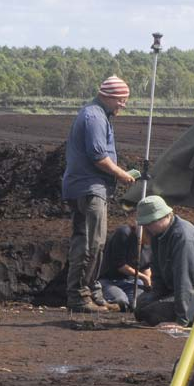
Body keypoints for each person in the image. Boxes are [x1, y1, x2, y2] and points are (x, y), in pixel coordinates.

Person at [62, 75, 137, 312]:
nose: (123, 105)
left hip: (88, 187)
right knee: (90, 243)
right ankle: (79, 297)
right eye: (121, 100)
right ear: (108, 96)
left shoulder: (98, 114)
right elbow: (98, 157)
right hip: (89, 188)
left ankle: (93, 292)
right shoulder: (94, 117)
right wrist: (122, 175)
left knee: (92, 242)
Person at [133, 195, 194, 326]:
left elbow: (185, 280)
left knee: (152, 313)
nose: (147, 227)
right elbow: (157, 272)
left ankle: (190, 316)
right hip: (174, 290)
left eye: (150, 222)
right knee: (140, 308)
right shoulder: (158, 235)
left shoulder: (183, 238)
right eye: (145, 224)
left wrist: (182, 321)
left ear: (166, 216)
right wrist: (155, 295)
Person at [94, 216, 152, 312]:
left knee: (140, 303)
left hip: (132, 281)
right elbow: (120, 265)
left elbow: (146, 266)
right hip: (110, 280)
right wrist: (144, 278)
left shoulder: (149, 243)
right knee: (121, 301)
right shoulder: (124, 233)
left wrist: (148, 281)